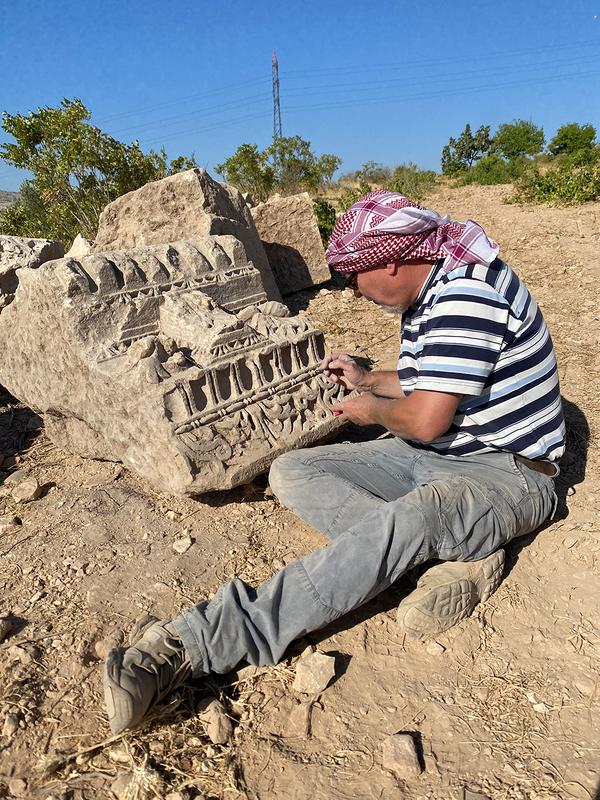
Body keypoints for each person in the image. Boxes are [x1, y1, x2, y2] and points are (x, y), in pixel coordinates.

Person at [103, 191, 565, 735]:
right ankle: (448, 553)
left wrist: (371, 410)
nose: (353, 290)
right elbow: (430, 381)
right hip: (440, 456)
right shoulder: (435, 286)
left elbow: (424, 419)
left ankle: (203, 641)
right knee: (293, 471)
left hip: (508, 473)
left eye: (354, 277)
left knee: (414, 517)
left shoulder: (467, 295)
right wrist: (370, 380)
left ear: (389, 261)